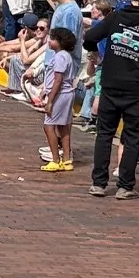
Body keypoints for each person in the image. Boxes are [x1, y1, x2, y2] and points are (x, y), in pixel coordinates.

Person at [85, 0, 139, 199]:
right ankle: (125, 185)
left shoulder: (118, 16)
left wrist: (103, 56)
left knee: (104, 133)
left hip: (111, 83)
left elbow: (90, 37)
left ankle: (99, 183)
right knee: (132, 137)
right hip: (137, 88)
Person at [37, 24, 78, 170]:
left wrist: (50, 101)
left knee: (48, 126)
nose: (49, 41)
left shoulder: (60, 57)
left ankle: (55, 159)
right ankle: (66, 159)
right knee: (63, 127)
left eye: (52, 38)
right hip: (67, 94)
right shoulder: (66, 56)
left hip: (61, 94)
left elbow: (58, 80)